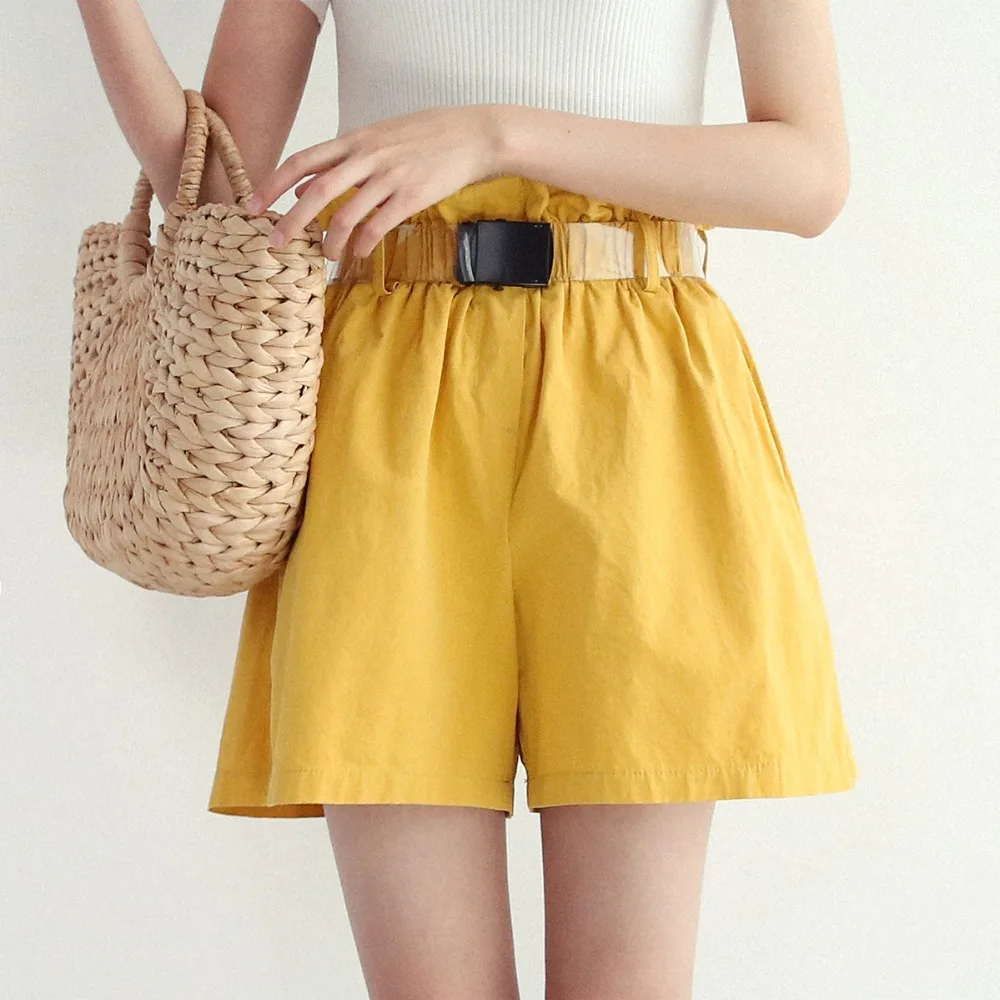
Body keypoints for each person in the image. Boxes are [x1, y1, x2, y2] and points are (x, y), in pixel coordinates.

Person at [77, 1, 858, 997]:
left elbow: (809, 174)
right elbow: (219, 188)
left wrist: (496, 134)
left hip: (637, 408)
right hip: (388, 416)